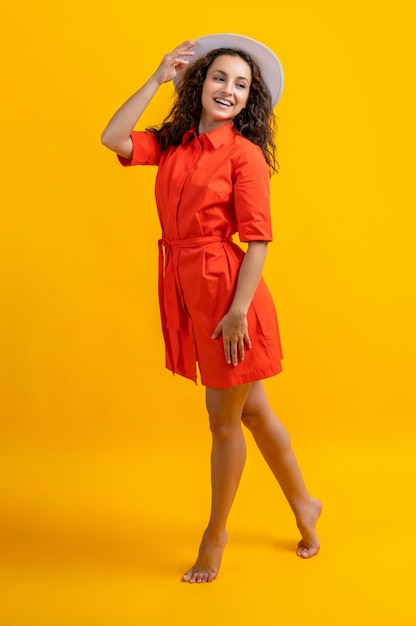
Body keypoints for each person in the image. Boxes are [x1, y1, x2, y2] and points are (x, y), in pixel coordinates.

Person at [101, 34, 322, 584]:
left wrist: (237, 312)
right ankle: (305, 505)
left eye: (242, 85)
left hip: (228, 298)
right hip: (186, 286)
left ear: (251, 100)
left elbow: (259, 240)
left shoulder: (243, 155)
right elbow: (113, 137)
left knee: (224, 422)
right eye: (220, 78)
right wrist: (156, 78)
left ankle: (214, 536)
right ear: (200, 84)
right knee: (253, 412)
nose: (229, 90)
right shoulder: (174, 144)